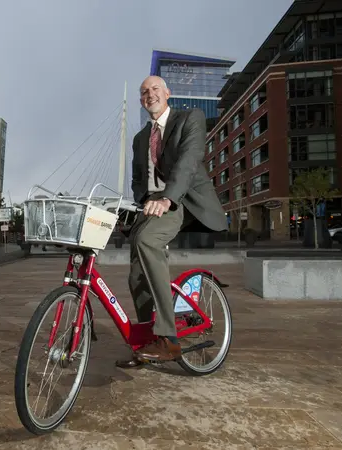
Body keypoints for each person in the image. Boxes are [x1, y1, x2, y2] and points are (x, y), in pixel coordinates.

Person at [116, 76, 228, 368]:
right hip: (152, 204)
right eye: (144, 92)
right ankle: (146, 343)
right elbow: (138, 178)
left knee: (146, 241)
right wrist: (144, 200)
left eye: (155, 89)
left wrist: (167, 198)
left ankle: (169, 338)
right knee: (136, 277)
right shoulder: (141, 138)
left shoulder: (189, 118)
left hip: (181, 200)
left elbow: (188, 162)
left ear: (168, 93)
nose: (149, 95)